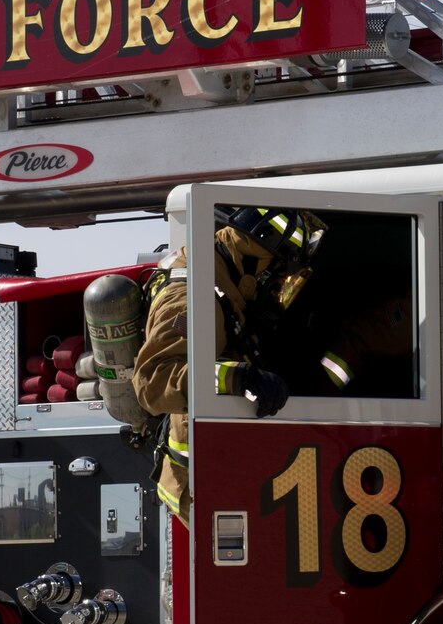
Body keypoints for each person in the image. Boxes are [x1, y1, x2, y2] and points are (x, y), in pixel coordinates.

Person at [131, 206, 326, 524]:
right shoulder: (189, 298)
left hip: (218, 470)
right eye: (275, 277)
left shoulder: (224, 280)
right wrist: (239, 377)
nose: (277, 289)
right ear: (255, 267)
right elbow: (153, 381)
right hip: (199, 485)